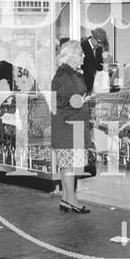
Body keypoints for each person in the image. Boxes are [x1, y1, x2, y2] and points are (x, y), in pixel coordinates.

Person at [51, 40, 91, 213]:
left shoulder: (73, 73)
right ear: (72, 56)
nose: (83, 56)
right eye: (81, 53)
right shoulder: (63, 75)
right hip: (67, 124)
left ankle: (66, 199)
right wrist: (76, 102)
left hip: (73, 123)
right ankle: (72, 199)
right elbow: (57, 100)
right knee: (68, 163)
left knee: (69, 163)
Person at [80, 28, 107, 94]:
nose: (100, 45)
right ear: (92, 38)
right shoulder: (82, 46)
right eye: (99, 42)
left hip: (95, 83)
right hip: (83, 81)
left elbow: (99, 64)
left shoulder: (99, 49)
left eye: (102, 43)